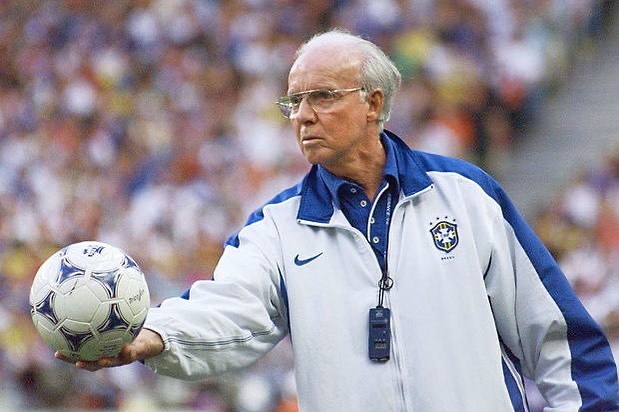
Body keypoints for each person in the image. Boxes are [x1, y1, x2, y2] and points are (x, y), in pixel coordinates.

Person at [58, 29, 619, 411]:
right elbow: (230, 309)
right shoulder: (273, 229)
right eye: (293, 102)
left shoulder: (467, 195)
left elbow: (558, 336)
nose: (301, 116)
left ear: (373, 103)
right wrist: (154, 335)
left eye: (321, 97)